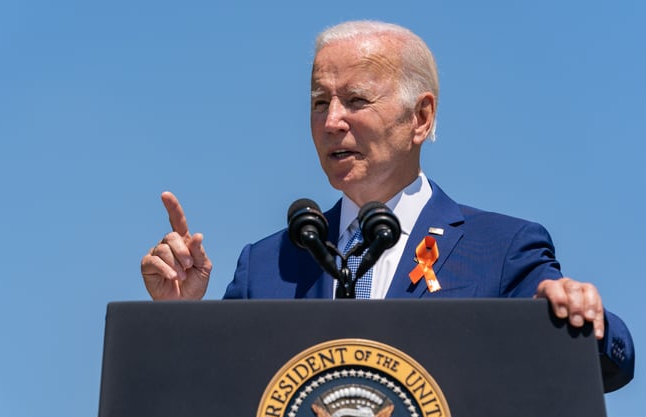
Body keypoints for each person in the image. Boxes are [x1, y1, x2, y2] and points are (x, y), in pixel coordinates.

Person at [140, 20, 634, 391]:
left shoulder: (501, 249)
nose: (332, 121)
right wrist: (180, 320)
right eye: (319, 102)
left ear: (420, 117)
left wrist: (582, 315)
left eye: (355, 100)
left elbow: (609, 361)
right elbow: (214, 402)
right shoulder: (267, 265)